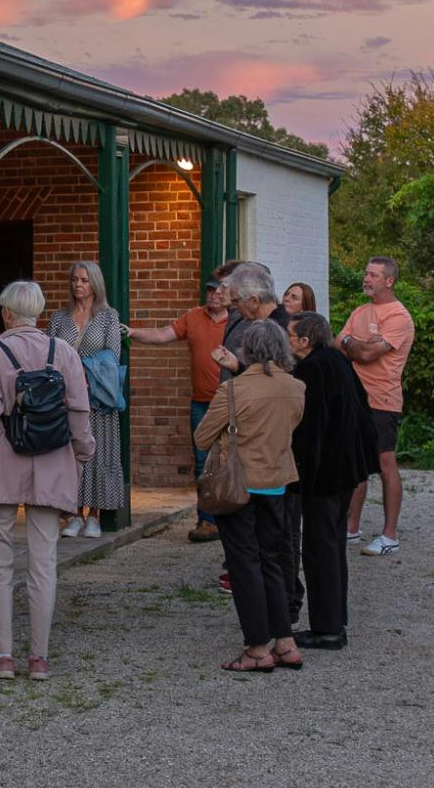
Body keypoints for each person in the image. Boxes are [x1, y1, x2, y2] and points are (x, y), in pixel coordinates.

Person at [0, 281, 94, 682]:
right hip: (52, 461)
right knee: (44, 562)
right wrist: (82, 453)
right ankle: (39, 658)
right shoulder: (64, 351)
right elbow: (80, 413)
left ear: (6, 313)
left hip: (3, 460)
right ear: (39, 312)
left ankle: (3, 656)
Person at [195, 320, 306, 672]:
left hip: (240, 485)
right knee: (273, 562)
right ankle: (285, 641)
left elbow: (201, 437)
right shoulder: (296, 387)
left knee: (245, 566)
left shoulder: (234, 390)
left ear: (247, 350)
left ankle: (257, 647)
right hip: (277, 482)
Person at [286, 311, 376, 649]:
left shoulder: (314, 369)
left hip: (327, 472)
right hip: (345, 468)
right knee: (332, 545)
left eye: (290, 334)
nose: (287, 338)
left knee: (320, 547)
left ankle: (327, 628)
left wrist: (299, 475)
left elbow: (312, 428)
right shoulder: (336, 361)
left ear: (305, 340)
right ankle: (333, 620)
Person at [212, 263, 298, 607]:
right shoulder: (267, 322)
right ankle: (281, 607)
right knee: (274, 538)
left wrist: (237, 369)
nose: (235, 309)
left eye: (236, 302)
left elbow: (279, 380)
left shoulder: (279, 326)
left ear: (251, 298)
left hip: (272, 450)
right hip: (272, 450)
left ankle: (284, 605)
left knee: (278, 538)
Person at [124, 277, 230, 542]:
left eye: (219, 290)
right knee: (203, 461)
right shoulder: (193, 316)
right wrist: (133, 332)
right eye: (210, 289)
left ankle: (231, 520)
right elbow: (162, 335)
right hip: (201, 403)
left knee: (232, 461)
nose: (214, 294)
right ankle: (207, 521)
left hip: (231, 403)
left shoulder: (238, 321)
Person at [339, 257, 415, 556]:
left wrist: (353, 344)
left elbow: (369, 355)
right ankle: (351, 528)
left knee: (385, 464)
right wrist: (355, 342)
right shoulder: (360, 311)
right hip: (354, 398)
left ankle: (389, 535)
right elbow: (337, 342)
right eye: (365, 273)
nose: (366, 278)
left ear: (389, 281)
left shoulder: (399, 316)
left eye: (373, 275)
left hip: (382, 400)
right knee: (356, 464)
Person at [50, 261, 123, 539]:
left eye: (84, 280)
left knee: (98, 454)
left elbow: (113, 356)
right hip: (65, 399)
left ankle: (94, 515)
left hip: (98, 400)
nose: (78, 285)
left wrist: (82, 365)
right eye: (74, 280)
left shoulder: (108, 317)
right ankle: (73, 514)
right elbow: (50, 351)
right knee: (69, 457)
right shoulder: (59, 318)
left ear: (95, 284)